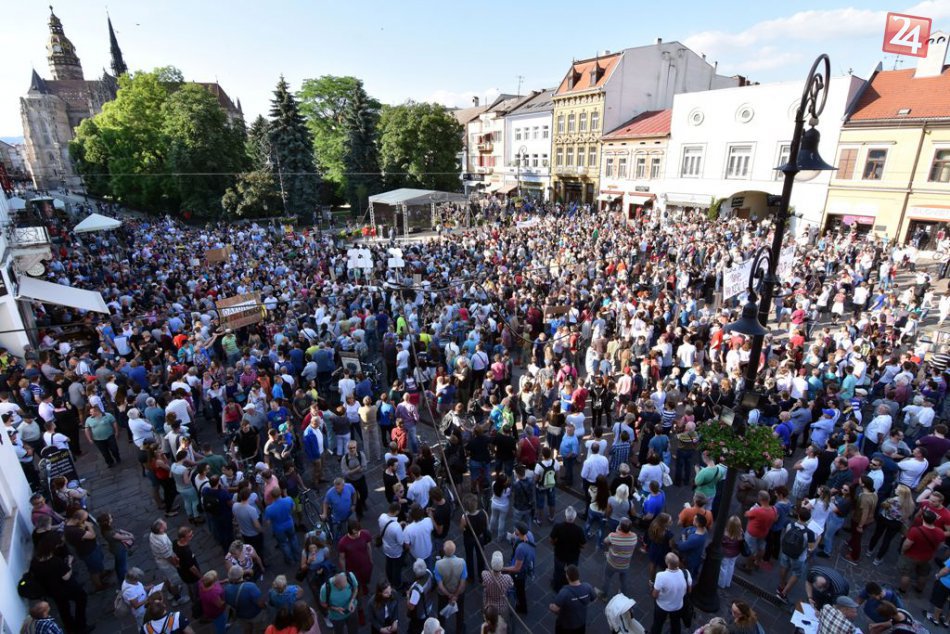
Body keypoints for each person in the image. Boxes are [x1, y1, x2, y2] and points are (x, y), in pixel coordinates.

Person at [776, 507, 817, 603]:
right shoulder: (810, 533)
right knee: (796, 573)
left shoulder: (788, 523)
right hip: (799, 557)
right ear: (808, 519)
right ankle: (784, 593)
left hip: (786, 551)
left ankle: (781, 585)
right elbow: (811, 548)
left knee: (784, 567)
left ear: (798, 515)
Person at [649, 552, 690, 634]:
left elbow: (655, 595)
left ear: (667, 563)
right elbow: (689, 590)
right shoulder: (686, 572)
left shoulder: (661, 576)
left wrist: (652, 588)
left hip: (662, 606)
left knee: (657, 624)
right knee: (676, 623)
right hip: (678, 606)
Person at [502, 523, 537, 615]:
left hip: (520, 573)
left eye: (516, 529)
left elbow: (517, 568)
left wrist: (503, 568)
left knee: (520, 591)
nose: (514, 530)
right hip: (523, 564)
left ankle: (522, 608)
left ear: (519, 532)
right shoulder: (529, 534)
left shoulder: (521, 549)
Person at [549, 564, 595, 634]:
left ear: (567, 577)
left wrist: (550, 606)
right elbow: (594, 598)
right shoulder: (588, 587)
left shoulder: (564, 592)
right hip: (581, 624)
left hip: (565, 626)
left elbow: (555, 609)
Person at [550, 505, 586, 592]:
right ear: (574, 517)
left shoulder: (558, 527)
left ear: (565, 515)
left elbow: (551, 540)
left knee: (558, 571)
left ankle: (557, 587)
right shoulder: (579, 530)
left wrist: (555, 544)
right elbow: (583, 545)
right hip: (573, 556)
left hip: (560, 554)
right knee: (571, 572)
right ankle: (569, 586)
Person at [434, 540, 467, 633]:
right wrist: (455, 595)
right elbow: (462, 583)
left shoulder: (438, 564)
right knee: (460, 612)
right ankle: (459, 629)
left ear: (444, 551)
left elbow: (440, 585)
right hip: (458, 593)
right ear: (454, 550)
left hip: (444, 594)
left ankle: (440, 629)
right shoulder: (462, 562)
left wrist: (449, 595)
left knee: (441, 611)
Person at [601, 517, 637, 598]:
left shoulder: (613, 536)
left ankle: (604, 595)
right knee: (623, 581)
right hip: (625, 564)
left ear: (620, 527)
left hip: (612, 563)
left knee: (607, 577)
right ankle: (623, 596)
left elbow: (605, 541)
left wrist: (617, 531)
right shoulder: (634, 537)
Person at [407, 558, 434, 634]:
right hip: (428, 604)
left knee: (416, 627)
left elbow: (411, 607)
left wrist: (408, 596)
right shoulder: (429, 573)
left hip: (420, 612)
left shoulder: (416, 590)